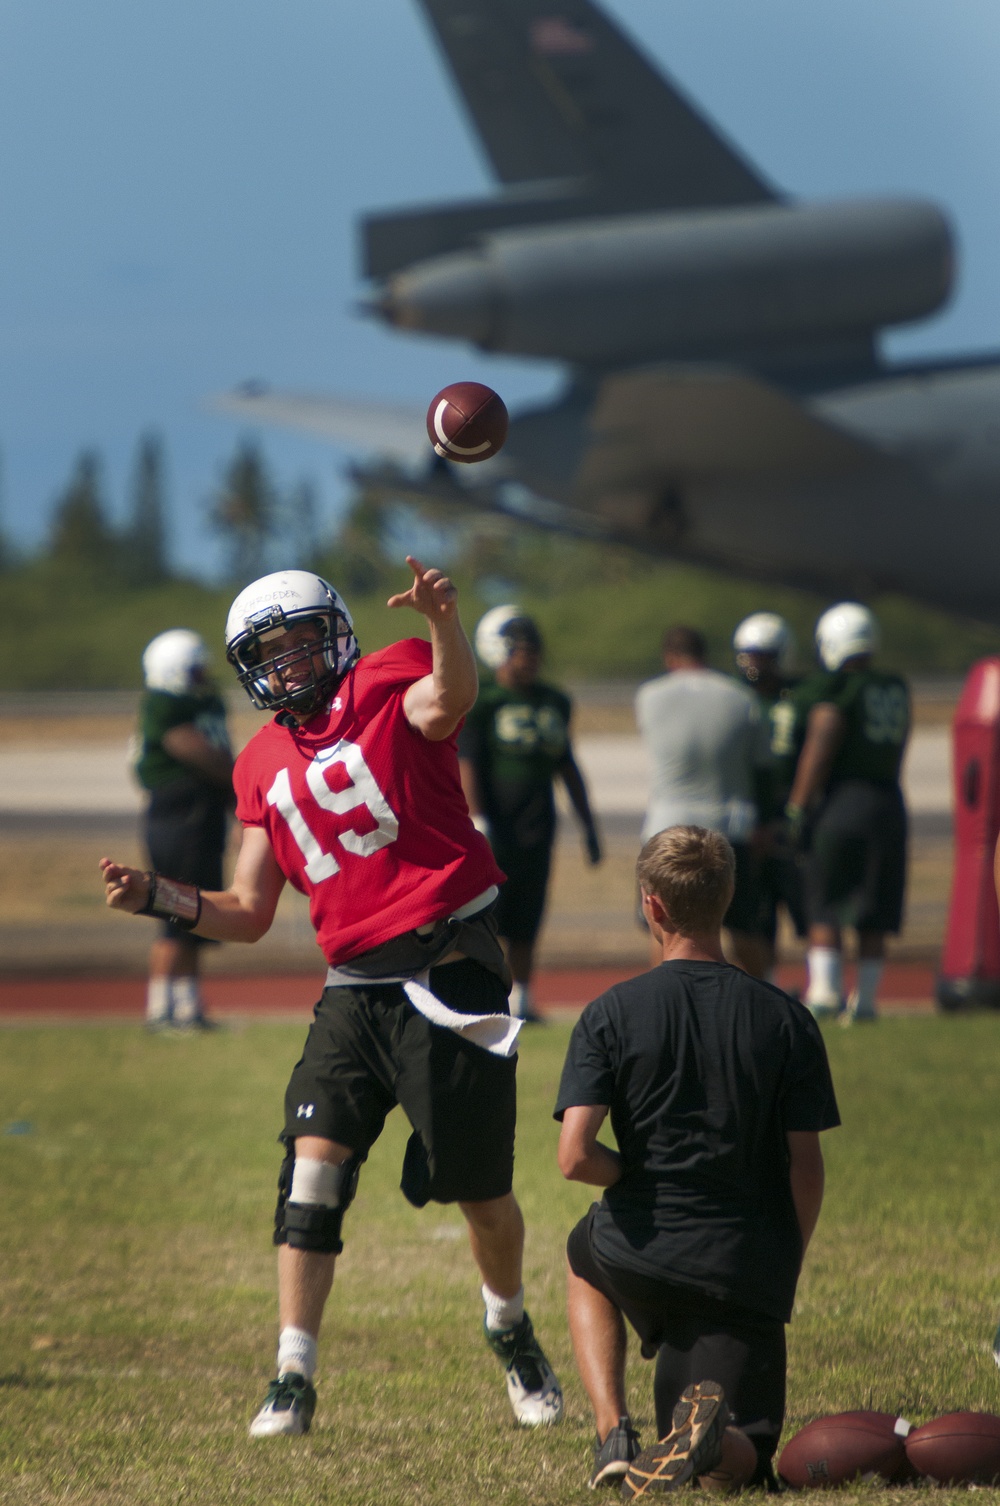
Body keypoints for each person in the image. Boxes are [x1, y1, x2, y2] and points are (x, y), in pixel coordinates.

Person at [101, 561, 563, 1438]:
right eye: (266, 654)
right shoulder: (262, 761)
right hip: (353, 989)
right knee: (311, 1173)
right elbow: (246, 913)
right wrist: (159, 896)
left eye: (299, 641)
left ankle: (509, 1326)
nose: (286, 664)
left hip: (447, 968)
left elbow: (449, 698)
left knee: (481, 1192)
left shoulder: (390, 676)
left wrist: (444, 621)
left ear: (335, 631)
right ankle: (292, 1375)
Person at [554, 825, 839, 1494]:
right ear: (730, 896)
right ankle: (715, 1444)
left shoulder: (610, 1014)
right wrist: (781, 1261)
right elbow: (807, 1167)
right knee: (740, 1465)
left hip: (639, 1252)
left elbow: (573, 1158)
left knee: (582, 1251)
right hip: (743, 1267)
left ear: (652, 907)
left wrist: (626, 1174)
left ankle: (611, 1433)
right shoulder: (786, 1019)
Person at [459, 605, 602, 1022]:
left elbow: (567, 765)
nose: (531, 658)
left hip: (538, 821)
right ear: (501, 650)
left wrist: (588, 824)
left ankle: (522, 998)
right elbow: (467, 760)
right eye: (523, 649)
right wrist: (478, 820)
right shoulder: (484, 700)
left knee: (528, 913)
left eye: (535, 650)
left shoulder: (554, 700)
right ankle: (484, 995)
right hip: (496, 822)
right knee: (488, 914)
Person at [785, 603, 910, 1023]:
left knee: (826, 899)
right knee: (876, 906)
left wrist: (797, 807)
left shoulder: (840, 689)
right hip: (889, 802)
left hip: (844, 803)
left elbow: (823, 738)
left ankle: (824, 992)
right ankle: (868, 1002)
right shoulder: (893, 685)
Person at [635, 625, 774, 978]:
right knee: (742, 926)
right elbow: (762, 767)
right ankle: (765, 992)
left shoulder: (649, 696)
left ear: (670, 657)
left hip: (667, 824)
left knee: (664, 922)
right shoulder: (741, 697)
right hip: (730, 824)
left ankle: (664, 996)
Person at [133, 629, 234, 1030]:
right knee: (173, 911)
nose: (202, 676)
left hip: (204, 815)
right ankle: (161, 1009)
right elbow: (188, 745)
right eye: (195, 670)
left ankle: (190, 1008)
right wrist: (236, 780)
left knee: (196, 912)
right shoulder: (162, 705)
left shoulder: (207, 702)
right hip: (180, 815)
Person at [731, 613, 808, 980]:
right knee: (756, 911)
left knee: (807, 907)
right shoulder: (735, 699)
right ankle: (769, 985)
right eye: (750, 655)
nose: (756, 664)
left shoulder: (801, 697)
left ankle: (825, 984)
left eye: (764, 655)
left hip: (794, 812)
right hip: (751, 817)